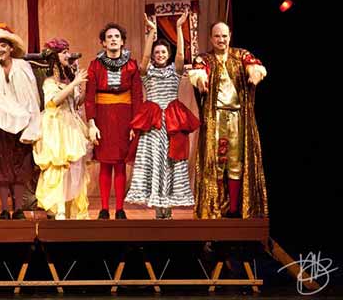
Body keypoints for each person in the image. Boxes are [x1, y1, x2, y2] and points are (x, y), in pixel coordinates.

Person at [188, 21, 268, 218]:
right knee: (215, 161)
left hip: (237, 118)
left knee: (236, 161)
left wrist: (254, 74)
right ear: (211, 38)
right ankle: (214, 206)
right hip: (215, 118)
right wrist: (201, 81)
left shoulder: (240, 55)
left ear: (230, 36)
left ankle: (233, 209)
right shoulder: (204, 58)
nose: (221, 39)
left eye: (224, 35)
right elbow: (198, 72)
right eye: (217, 36)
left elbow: (255, 66)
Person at [125, 12, 199, 219]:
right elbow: (144, 59)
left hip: (172, 121)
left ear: (168, 54)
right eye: (157, 52)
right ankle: (158, 208)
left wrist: (179, 28)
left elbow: (181, 55)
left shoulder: (175, 71)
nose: (159, 55)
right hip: (153, 123)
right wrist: (151, 32)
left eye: (163, 52)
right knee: (155, 161)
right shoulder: (146, 72)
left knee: (171, 161)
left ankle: (169, 208)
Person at [0, 23, 41, 220]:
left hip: (24, 124)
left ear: (11, 48)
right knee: (1, 168)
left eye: (3, 45)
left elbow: (32, 95)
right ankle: (4, 209)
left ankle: (18, 209)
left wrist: (29, 120)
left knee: (21, 168)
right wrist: (12, 114)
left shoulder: (23, 67)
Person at [85, 23, 142, 219]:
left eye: (117, 36)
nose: (113, 39)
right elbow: (89, 97)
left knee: (119, 163)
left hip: (124, 118)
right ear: (103, 43)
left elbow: (137, 96)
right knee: (104, 163)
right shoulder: (95, 65)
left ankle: (119, 208)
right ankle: (103, 209)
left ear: (123, 41)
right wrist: (92, 123)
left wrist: (135, 124)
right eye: (109, 37)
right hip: (103, 117)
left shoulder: (131, 65)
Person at [33, 38, 91, 220]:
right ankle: (59, 209)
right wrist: (74, 84)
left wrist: (83, 86)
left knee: (75, 168)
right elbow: (53, 101)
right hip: (57, 126)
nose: (68, 55)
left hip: (72, 126)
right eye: (64, 52)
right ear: (55, 57)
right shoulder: (49, 82)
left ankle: (70, 210)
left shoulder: (68, 80)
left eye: (68, 51)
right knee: (59, 167)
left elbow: (77, 102)